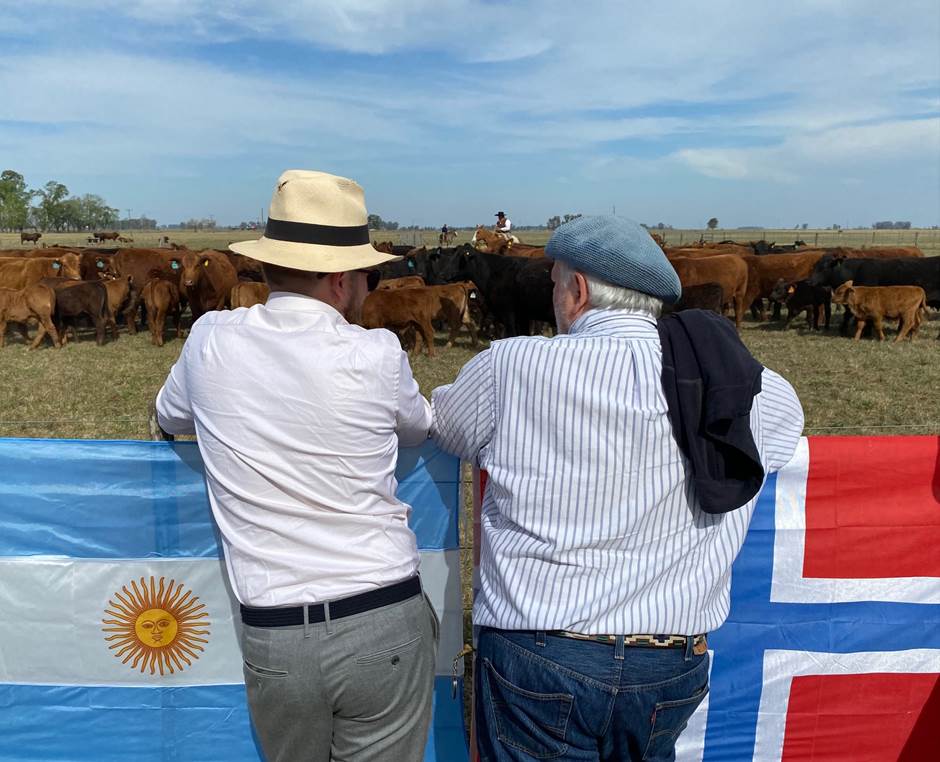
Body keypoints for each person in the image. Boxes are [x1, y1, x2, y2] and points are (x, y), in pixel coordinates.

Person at [431, 215, 803, 761]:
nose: (553, 296)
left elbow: (447, 424)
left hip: (541, 648)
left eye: (555, 282)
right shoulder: (738, 384)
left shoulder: (509, 365)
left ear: (577, 290)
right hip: (668, 659)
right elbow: (783, 427)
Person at [155, 169, 439, 762]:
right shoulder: (377, 352)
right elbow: (419, 426)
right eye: (367, 273)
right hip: (383, 610)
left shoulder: (210, 338)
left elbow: (169, 415)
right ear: (340, 280)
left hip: (276, 628)